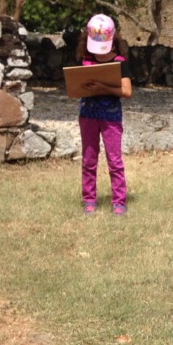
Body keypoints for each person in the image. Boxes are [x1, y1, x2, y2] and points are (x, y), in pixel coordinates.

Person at [75, 14, 132, 216]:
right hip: (88, 114)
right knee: (89, 159)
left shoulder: (120, 62)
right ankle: (89, 199)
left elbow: (127, 92)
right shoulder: (86, 60)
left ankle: (119, 201)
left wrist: (103, 87)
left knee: (114, 161)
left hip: (111, 117)